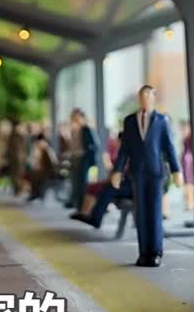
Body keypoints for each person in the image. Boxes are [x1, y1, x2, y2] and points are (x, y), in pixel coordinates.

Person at [110, 85, 181, 267]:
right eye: (143, 95)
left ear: (154, 98)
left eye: (149, 95)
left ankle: (155, 251)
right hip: (137, 173)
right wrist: (117, 170)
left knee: (155, 212)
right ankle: (144, 252)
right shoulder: (129, 121)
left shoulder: (162, 120)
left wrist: (176, 170)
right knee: (140, 213)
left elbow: (169, 147)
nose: (146, 98)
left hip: (156, 172)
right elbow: (124, 149)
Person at [66, 110, 101, 210]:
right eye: (73, 117)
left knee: (82, 183)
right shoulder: (73, 130)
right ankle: (77, 205)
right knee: (75, 183)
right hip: (74, 158)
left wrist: (87, 153)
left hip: (83, 159)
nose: (75, 119)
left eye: (77, 117)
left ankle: (82, 207)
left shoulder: (86, 129)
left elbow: (95, 145)